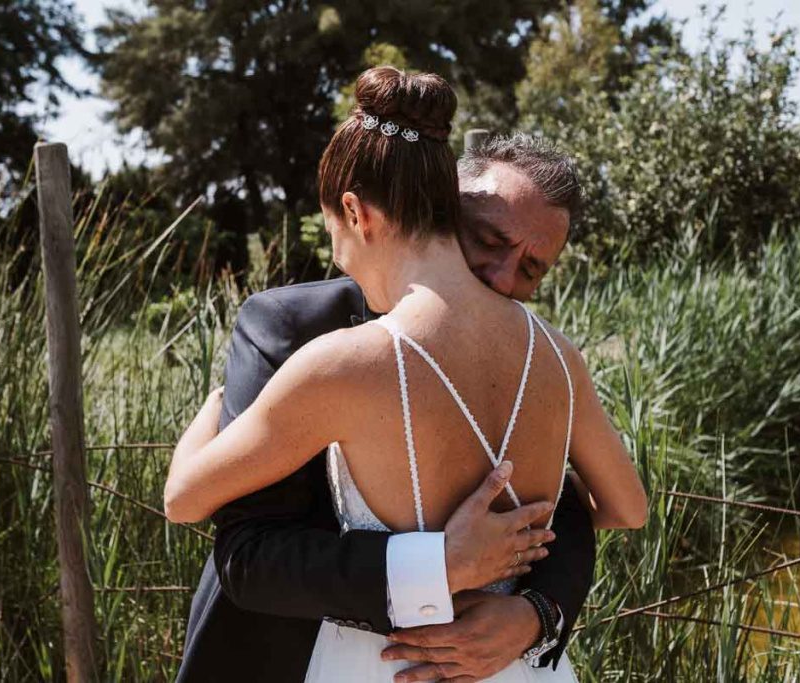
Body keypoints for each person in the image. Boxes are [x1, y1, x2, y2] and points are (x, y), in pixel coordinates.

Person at [168, 67, 647, 682]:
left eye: (530, 267)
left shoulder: (340, 361)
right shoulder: (557, 354)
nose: (502, 278)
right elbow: (625, 509)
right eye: (489, 239)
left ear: (353, 211)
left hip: (388, 665)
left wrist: (536, 610)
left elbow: (183, 499)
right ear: (446, 205)